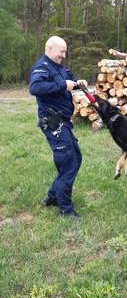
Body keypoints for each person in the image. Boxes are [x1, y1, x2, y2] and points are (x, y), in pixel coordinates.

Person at [29, 36, 88, 218]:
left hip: (65, 122)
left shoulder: (60, 67)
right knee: (68, 163)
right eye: (61, 51)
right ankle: (65, 209)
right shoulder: (42, 67)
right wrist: (63, 84)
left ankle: (52, 196)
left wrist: (79, 84)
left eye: (65, 51)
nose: (64, 54)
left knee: (76, 158)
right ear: (50, 49)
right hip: (54, 122)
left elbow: (69, 83)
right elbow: (35, 87)